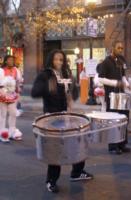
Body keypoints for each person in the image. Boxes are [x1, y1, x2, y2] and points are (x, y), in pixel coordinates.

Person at [31, 49, 93, 193]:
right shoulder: (45, 74)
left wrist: (72, 88)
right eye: (56, 59)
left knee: (78, 142)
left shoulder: (66, 73)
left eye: (61, 59)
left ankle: (77, 172)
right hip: (52, 117)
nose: (59, 62)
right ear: (51, 60)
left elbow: (75, 94)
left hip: (68, 115)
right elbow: (35, 92)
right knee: (56, 149)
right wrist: (48, 87)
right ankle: (51, 180)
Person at [97, 41, 131, 155]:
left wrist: (127, 84)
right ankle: (113, 146)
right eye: (119, 48)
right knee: (113, 121)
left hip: (121, 94)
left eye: (122, 48)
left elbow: (122, 75)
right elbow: (101, 79)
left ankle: (122, 144)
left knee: (123, 119)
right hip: (111, 95)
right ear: (113, 48)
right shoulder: (106, 62)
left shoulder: (121, 60)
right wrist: (115, 83)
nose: (121, 50)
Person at [0, 55, 23, 142]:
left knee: (13, 114)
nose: (11, 62)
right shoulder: (1, 71)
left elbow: (18, 82)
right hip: (2, 95)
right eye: (9, 60)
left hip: (13, 95)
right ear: (6, 61)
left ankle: (12, 132)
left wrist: (18, 92)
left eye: (12, 60)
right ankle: (2, 133)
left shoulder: (16, 70)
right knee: (3, 115)